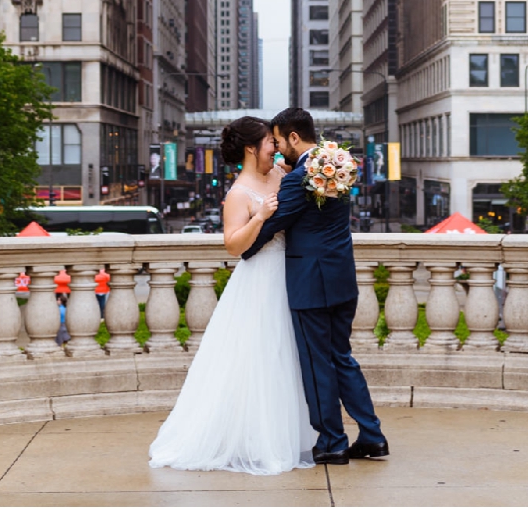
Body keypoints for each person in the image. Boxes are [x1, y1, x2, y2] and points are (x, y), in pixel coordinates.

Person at [148, 116, 316, 475]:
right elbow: (233, 245)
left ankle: (288, 434)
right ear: (251, 148)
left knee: (285, 357)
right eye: (270, 142)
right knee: (258, 357)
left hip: (289, 275)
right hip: (259, 279)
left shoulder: (282, 174)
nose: (276, 146)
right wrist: (259, 218)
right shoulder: (238, 193)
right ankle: (253, 440)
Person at [243, 107, 388, 465]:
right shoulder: (338, 163)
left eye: (279, 141)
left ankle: (333, 440)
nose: (277, 151)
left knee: (317, 363)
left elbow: (277, 222)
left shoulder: (299, 177)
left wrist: (245, 248)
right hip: (341, 276)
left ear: (294, 137)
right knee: (342, 357)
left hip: (311, 282)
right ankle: (372, 435)